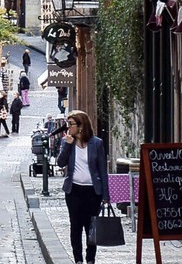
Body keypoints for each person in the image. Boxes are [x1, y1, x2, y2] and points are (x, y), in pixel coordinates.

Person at [57, 110, 109, 264]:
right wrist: (67, 145)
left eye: (71, 124)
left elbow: (102, 170)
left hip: (92, 191)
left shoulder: (96, 143)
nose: (68, 127)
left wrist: (106, 195)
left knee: (91, 227)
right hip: (73, 190)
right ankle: (78, 260)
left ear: (81, 126)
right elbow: (60, 163)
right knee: (75, 226)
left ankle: (90, 259)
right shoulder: (67, 142)